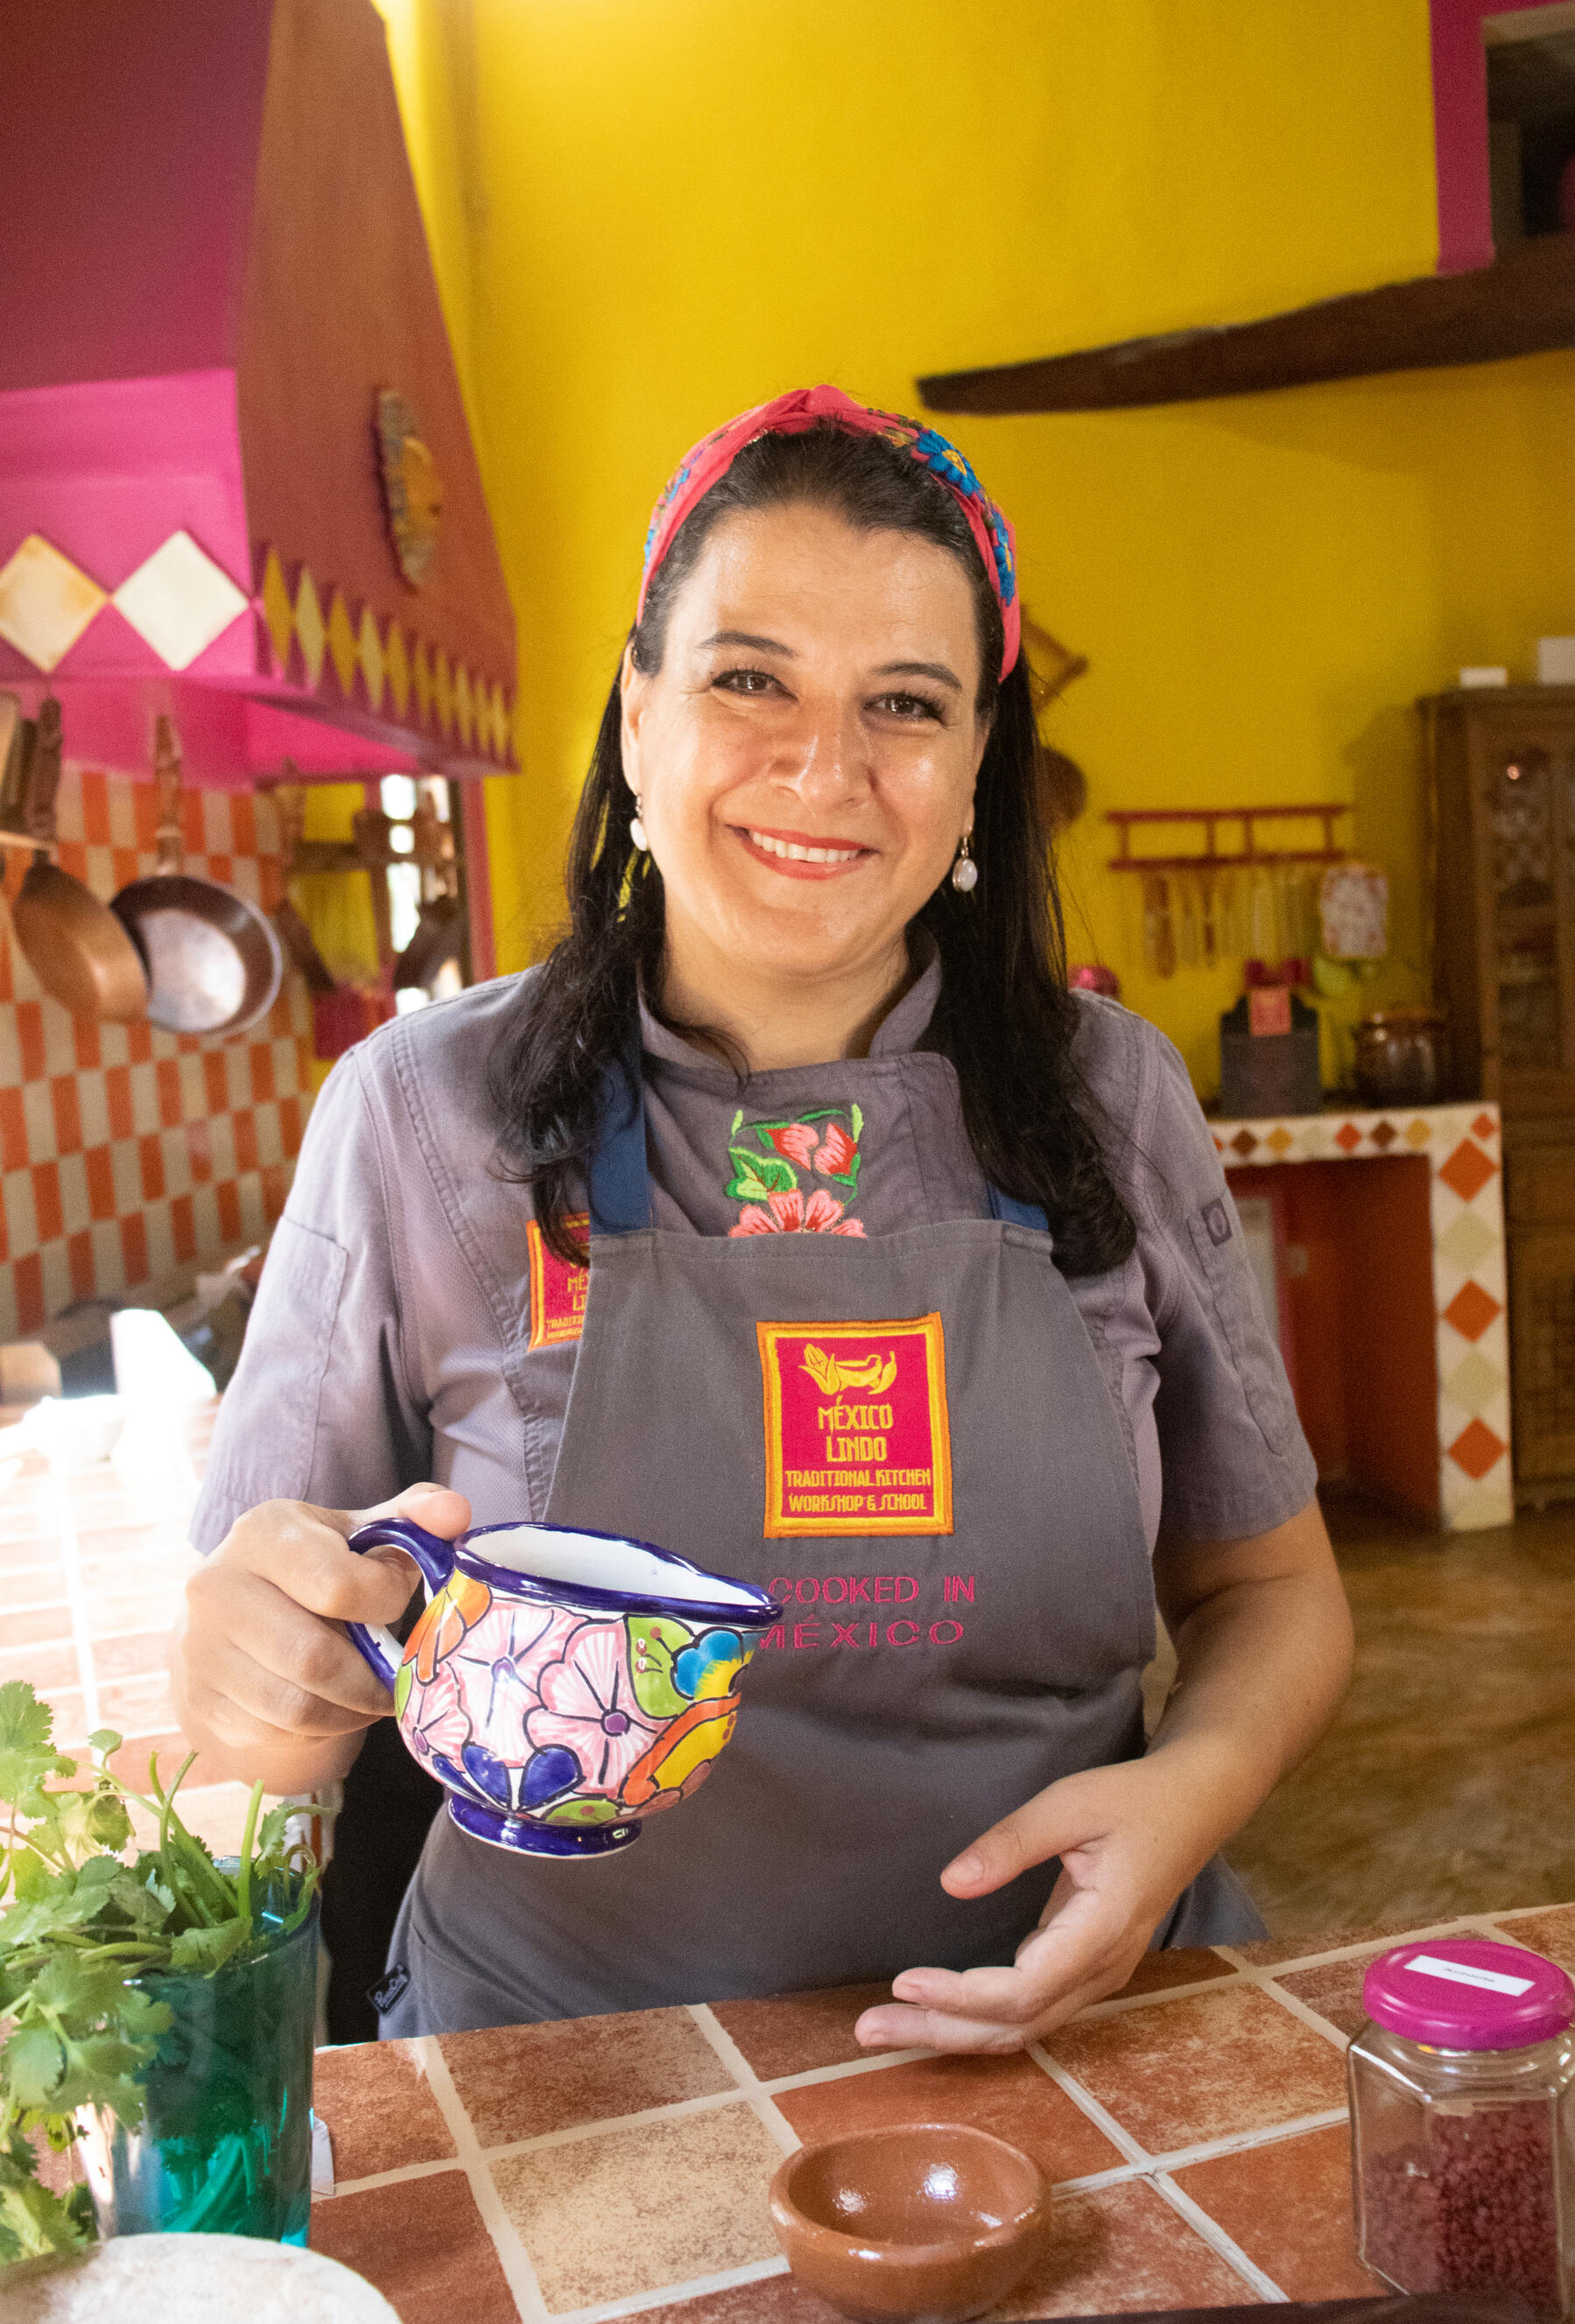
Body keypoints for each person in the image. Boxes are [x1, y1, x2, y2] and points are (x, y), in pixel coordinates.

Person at [172, 385, 1353, 2049]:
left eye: (906, 703)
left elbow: (1276, 1592)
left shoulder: (1112, 1098)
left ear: (974, 772)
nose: (826, 767)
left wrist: (1197, 1792)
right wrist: (261, 1680)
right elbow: (247, 1657)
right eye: (748, 679)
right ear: (637, 715)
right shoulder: (420, 1118)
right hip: (569, 2063)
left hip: (1077, 2025)